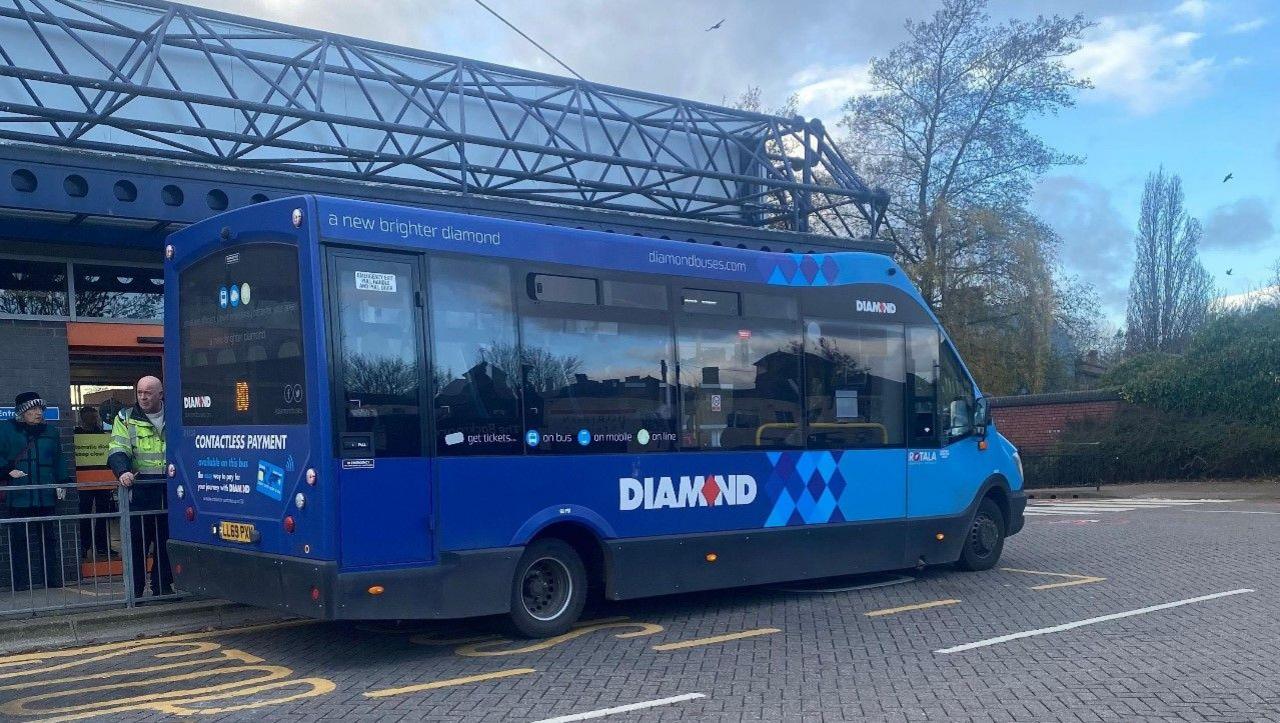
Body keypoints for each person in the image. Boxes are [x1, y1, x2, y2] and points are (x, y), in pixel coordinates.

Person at [108, 376, 171, 597]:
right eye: (140, 392)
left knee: (166, 542)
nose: (143, 397)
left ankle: (162, 587)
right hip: (141, 489)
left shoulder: (176, 414)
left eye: (148, 393)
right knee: (137, 544)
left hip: (170, 489)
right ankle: (134, 592)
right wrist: (122, 470)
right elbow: (117, 448)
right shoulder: (125, 418)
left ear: (161, 395)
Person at [0, 392, 68, 591]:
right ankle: (20, 582)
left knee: (49, 539)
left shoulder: (51, 432)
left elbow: (58, 458)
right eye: (33, 410)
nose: (38, 413)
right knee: (18, 540)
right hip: (19, 495)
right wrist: (6, 470)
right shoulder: (6, 430)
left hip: (44, 494)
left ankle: (52, 579)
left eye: (40, 409)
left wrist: (62, 482)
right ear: (22, 413)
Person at [74, 405, 113, 559]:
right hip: (84, 481)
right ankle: (85, 546)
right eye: (90, 417)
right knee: (84, 514)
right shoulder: (77, 434)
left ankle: (101, 546)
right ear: (83, 418)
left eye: (94, 417)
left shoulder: (101, 434)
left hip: (102, 479)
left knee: (102, 514)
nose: (93, 419)